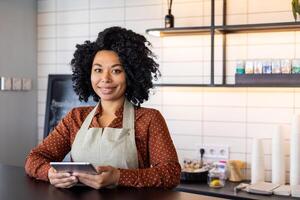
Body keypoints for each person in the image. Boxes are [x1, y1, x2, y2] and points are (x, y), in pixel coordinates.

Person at [25, 26, 181, 189]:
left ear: (130, 74)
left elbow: (171, 173)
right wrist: (50, 173)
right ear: (88, 73)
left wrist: (119, 176)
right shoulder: (76, 117)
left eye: (116, 70)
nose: (105, 78)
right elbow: (34, 158)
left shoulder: (149, 119)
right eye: (98, 70)